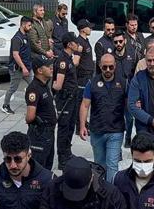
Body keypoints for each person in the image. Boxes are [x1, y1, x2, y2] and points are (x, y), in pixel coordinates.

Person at [79, 53, 126, 182]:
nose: (108, 70)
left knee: (112, 165)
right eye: (104, 67)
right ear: (100, 66)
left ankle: (111, 193)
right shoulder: (92, 83)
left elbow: (130, 105)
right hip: (97, 130)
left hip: (115, 131)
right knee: (99, 165)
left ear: (115, 66)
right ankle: (100, 190)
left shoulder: (123, 82)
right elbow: (84, 105)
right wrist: (82, 125)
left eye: (111, 67)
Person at [53, 32, 81, 169]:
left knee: (70, 127)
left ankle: (67, 152)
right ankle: (62, 158)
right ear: (69, 44)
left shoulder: (69, 58)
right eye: (75, 42)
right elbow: (58, 84)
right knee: (64, 128)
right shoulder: (63, 61)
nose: (77, 44)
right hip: (65, 99)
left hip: (72, 98)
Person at [25, 55, 57, 170]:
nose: (51, 68)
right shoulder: (34, 89)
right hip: (40, 133)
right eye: (48, 66)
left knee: (48, 163)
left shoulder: (44, 85)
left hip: (48, 132)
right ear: (39, 70)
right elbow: (29, 117)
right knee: (39, 166)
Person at [113, 30, 138, 148]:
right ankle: (118, 138)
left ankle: (128, 137)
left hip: (129, 92)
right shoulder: (111, 57)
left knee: (129, 117)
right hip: (115, 91)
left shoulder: (132, 54)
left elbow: (137, 72)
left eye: (120, 41)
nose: (118, 44)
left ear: (125, 41)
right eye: (116, 42)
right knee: (116, 116)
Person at [3, 16, 33, 115]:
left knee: (33, 85)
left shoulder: (26, 36)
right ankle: (5, 105)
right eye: (29, 25)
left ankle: (33, 102)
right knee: (13, 88)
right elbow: (15, 55)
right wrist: (23, 67)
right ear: (23, 24)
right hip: (17, 69)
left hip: (27, 67)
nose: (30, 27)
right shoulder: (17, 38)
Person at [75, 19, 96, 123]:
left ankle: (83, 122)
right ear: (83, 29)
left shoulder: (85, 40)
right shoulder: (79, 42)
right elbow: (76, 61)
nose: (91, 28)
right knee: (82, 101)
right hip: (83, 76)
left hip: (88, 75)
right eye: (89, 27)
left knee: (86, 99)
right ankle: (79, 125)